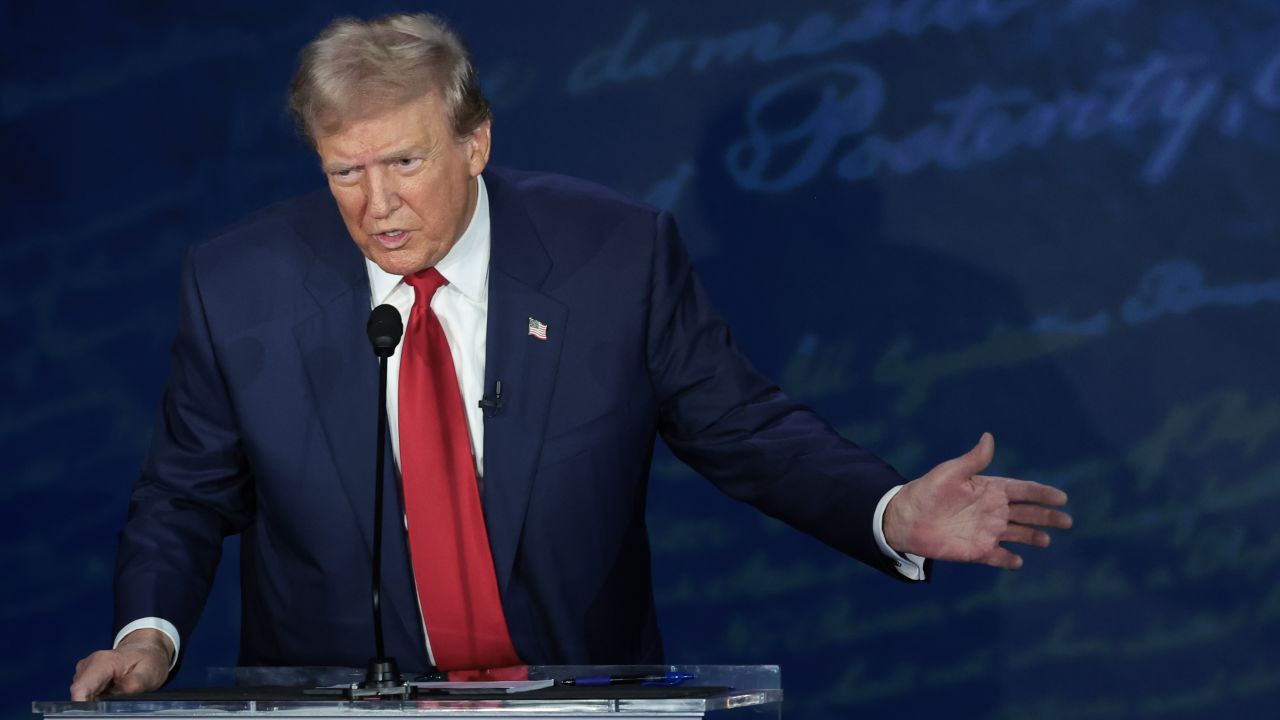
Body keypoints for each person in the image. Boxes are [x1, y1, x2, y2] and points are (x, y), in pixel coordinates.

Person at [69, 12, 1071, 700]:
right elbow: (184, 493)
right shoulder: (236, 284)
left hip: (581, 700)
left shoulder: (614, 257)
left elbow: (742, 430)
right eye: (346, 171)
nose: (377, 206)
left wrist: (887, 509)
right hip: (331, 704)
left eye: (406, 162)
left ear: (475, 141)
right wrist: (147, 637)